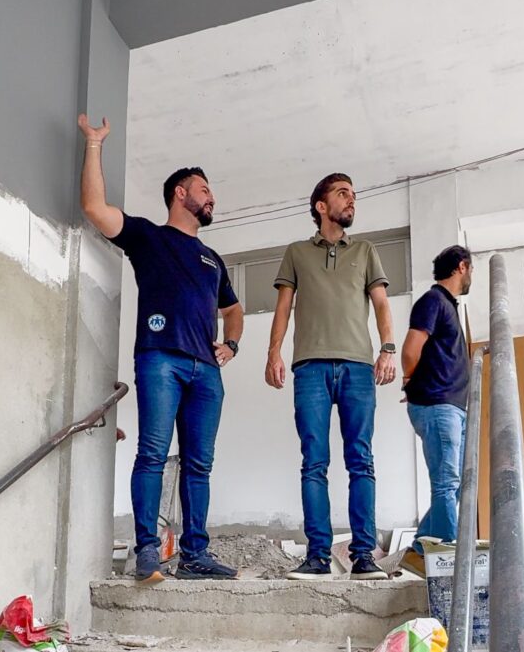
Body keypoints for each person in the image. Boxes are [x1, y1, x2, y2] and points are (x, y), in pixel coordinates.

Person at [77, 114, 244, 584]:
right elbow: (94, 207)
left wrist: (230, 344)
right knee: (152, 452)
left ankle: (195, 555)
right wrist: (94, 144)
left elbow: (234, 311)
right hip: (160, 359)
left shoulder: (213, 260)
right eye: (204, 189)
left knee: (199, 464)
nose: (212, 197)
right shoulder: (148, 236)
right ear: (181, 194)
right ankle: (147, 550)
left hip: (205, 372)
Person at [265, 173, 395, 581]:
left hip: (358, 366)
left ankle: (363, 557)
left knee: (362, 461)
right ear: (321, 206)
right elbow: (284, 307)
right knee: (313, 462)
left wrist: (388, 347)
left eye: (353, 195)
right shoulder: (297, 253)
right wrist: (274, 352)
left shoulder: (366, 250)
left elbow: (381, 304)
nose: (351, 201)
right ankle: (318, 556)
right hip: (310, 368)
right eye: (342, 195)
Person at [398, 245, 472, 578]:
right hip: (438, 406)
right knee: (445, 485)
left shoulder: (448, 306)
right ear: (462, 266)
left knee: (450, 486)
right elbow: (411, 348)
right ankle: (454, 561)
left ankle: (417, 551)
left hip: (451, 407)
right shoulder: (433, 302)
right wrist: (412, 380)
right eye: (470, 270)